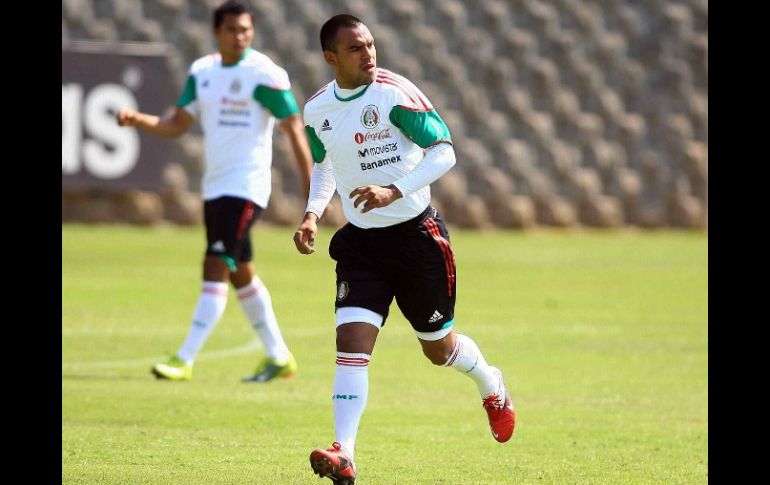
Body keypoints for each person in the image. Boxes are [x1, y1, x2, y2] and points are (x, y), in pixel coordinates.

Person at [293, 14, 516, 484]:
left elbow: (445, 151)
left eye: (370, 44)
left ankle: (490, 384)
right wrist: (313, 213)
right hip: (362, 246)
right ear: (330, 58)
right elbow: (324, 164)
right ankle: (345, 452)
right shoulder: (317, 110)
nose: (368, 54)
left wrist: (393, 190)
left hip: (417, 240)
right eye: (355, 48)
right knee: (350, 343)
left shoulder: (394, 93)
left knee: (439, 350)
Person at [116, 0, 313, 383]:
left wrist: (312, 200)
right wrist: (141, 120)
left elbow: (294, 130)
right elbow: (178, 122)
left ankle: (184, 358)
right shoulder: (203, 72)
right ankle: (279, 356)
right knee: (242, 273)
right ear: (216, 32)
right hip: (215, 187)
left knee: (215, 264)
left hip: (247, 187)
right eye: (232, 30)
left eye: (246, 30)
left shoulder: (264, 75)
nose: (240, 36)